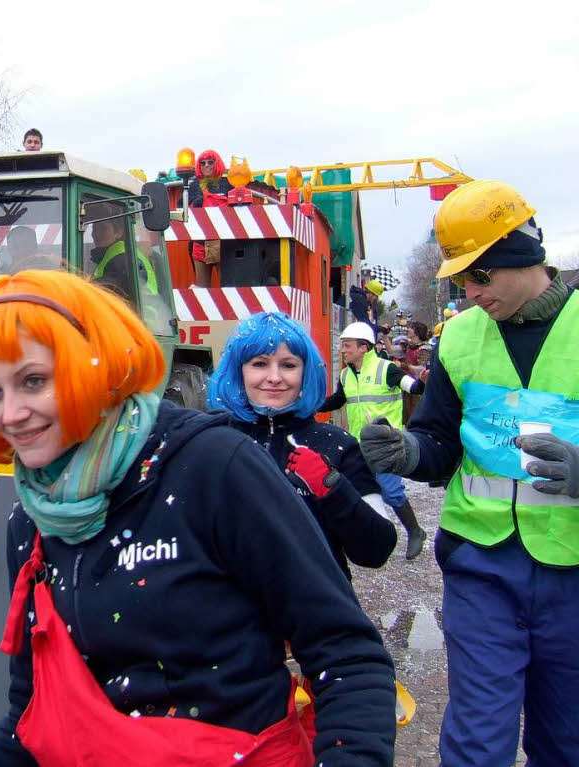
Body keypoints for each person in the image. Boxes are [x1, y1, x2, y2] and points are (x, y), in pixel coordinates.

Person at [0, 270, 396, 766]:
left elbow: (346, 656)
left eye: (33, 381)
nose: (9, 414)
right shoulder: (33, 520)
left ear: (94, 366)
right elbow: (31, 712)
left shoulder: (212, 467)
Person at [357, 179, 579, 766]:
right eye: (461, 281)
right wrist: (407, 451)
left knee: (567, 741)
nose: (471, 292)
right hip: (483, 568)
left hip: (573, 574)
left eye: (480, 276)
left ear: (520, 256)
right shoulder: (457, 337)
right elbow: (439, 441)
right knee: (478, 743)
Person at [207, 312, 396, 582]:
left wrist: (332, 489)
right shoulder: (211, 441)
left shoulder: (338, 445)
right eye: (259, 364)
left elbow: (376, 550)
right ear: (238, 371)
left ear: (306, 373)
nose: (274, 377)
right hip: (231, 616)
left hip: (316, 615)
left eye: (288, 365)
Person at [319, 321, 427, 560]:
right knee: (354, 489)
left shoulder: (386, 369)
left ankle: (415, 531)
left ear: (363, 348)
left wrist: (424, 381)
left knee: (391, 492)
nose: (343, 350)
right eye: (342, 346)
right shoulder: (346, 375)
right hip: (357, 446)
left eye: (347, 346)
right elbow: (338, 400)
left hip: (385, 446)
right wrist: (310, 407)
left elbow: (414, 387)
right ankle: (360, 538)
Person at [187, 150, 233, 287]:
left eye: (210, 162)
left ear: (217, 163)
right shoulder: (194, 185)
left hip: (223, 243)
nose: (206, 165)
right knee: (202, 289)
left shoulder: (228, 183)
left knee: (228, 288)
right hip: (200, 242)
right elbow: (180, 207)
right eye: (202, 163)